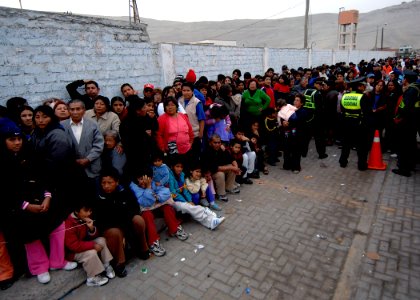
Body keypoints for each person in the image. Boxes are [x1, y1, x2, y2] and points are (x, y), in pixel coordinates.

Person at [95, 168, 150, 277]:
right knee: (116, 232)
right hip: (111, 228)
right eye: (103, 183)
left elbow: (134, 208)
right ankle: (119, 262)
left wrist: (124, 228)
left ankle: (143, 248)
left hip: (125, 223)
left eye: (109, 183)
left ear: (117, 182)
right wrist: (122, 228)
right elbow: (103, 220)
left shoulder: (125, 191)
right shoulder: (99, 198)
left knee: (138, 220)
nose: (106, 186)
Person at [129, 168, 187, 257]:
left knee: (167, 208)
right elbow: (145, 202)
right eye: (140, 179)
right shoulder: (135, 188)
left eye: (145, 179)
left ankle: (174, 229)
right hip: (146, 212)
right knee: (147, 215)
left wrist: (157, 197)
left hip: (156, 208)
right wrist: (148, 188)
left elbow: (166, 192)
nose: (142, 182)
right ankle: (153, 242)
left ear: (151, 178)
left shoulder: (154, 183)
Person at [64, 201, 115, 287]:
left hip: (83, 244)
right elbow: (73, 245)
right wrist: (92, 246)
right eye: (86, 211)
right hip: (73, 252)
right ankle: (92, 278)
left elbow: (90, 237)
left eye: (90, 211)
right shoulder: (69, 223)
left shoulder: (84, 218)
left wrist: (91, 228)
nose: (89, 213)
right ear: (77, 211)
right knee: (91, 253)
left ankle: (106, 265)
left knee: (101, 240)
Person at [61, 99, 104, 197]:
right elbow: (60, 147)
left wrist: (88, 159)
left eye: (78, 109)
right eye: (72, 109)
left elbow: (99, 144)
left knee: (94, 195)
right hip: (72, 168)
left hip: (92, 167)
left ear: (84, 110)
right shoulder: (62, 126)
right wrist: (72, 160)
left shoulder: (93, 124)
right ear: (68, 110)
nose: (75, 112)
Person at [168, 157, 225, 230]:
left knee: (192, 210)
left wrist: (189, 200)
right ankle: (209, 214)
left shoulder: (181, 175)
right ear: (172, 167)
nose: (180, 169)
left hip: (182, 199)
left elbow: (185, 189)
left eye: (181, 167)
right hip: (174, 200)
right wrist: (186, 201)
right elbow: (174, 193)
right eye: (177, 166)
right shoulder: (170, 177)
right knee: (190, 208)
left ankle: (211, 222)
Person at [120, 95, 158, 176]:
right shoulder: (127, 123)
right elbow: (130, 141)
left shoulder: (145, 117)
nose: (147, 109)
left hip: (148, 155)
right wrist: (145, 135)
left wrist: (153, 118)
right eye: (144, 108)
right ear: (137, 111)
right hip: (135, 157)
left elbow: (154, 128)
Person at [338, 78, 371, 170]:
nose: (364, 87)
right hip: (359, 125)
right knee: (361, 146)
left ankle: (343, 162)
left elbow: (342, 110)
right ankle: (361, 165)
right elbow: (367, 113)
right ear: (359, 87)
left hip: (346, 123)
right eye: (362, 86)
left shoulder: (344, 96)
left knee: (346, 144)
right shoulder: (363, 97)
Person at [392, 70, 419, 177]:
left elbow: (403, 108)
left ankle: (404, 169)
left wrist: (398, 116)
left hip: (407, 122)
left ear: (406, 79)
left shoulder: (411, 91)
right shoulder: (417, 88)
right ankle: (411, 165)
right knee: (411, 144)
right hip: (414, 121)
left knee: (404, 146)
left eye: (404, 78)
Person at [201, 134, 241, 202]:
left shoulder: (221, 149)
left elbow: (231, 159)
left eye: (219, 142)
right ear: (210, 143)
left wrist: (236, 168)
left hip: (219, 169)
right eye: (215, 142)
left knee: (232, 168)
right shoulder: (207, 152)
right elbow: (215, 168)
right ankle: (221, 194)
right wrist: (232, 167)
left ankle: (229, 187)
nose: (217, 144)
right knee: (220, 174)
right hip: (209, 173)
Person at [178, 82, 206, 157]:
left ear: (192, 91)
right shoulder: (179, 101)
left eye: (188, 90)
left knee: (195, 154)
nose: (186, 92)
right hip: (182, 134)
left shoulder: (197, 103)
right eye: (184, 90)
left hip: (195, 134)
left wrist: (201, 133)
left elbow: (202, 119)